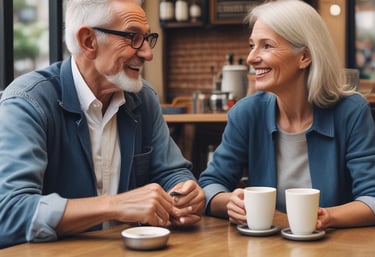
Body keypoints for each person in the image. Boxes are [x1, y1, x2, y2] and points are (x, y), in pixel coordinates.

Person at [0, 0, 205, 248]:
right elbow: (9, 213)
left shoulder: (143, 98)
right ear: (89, 41)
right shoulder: (28, 101)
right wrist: (115, 205)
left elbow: (171, 171)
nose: (147, 53)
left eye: (147, 38)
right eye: (133, 37)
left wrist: (185, 192)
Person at [198, 0, 375, 230]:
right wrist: (229, 203)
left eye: (267, 46)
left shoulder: (351, 111)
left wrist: (325, 217)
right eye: (252, 45)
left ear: (304, 57)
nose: (251, 58)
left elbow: (371, 198)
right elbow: (210, 185)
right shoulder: (246, 113)